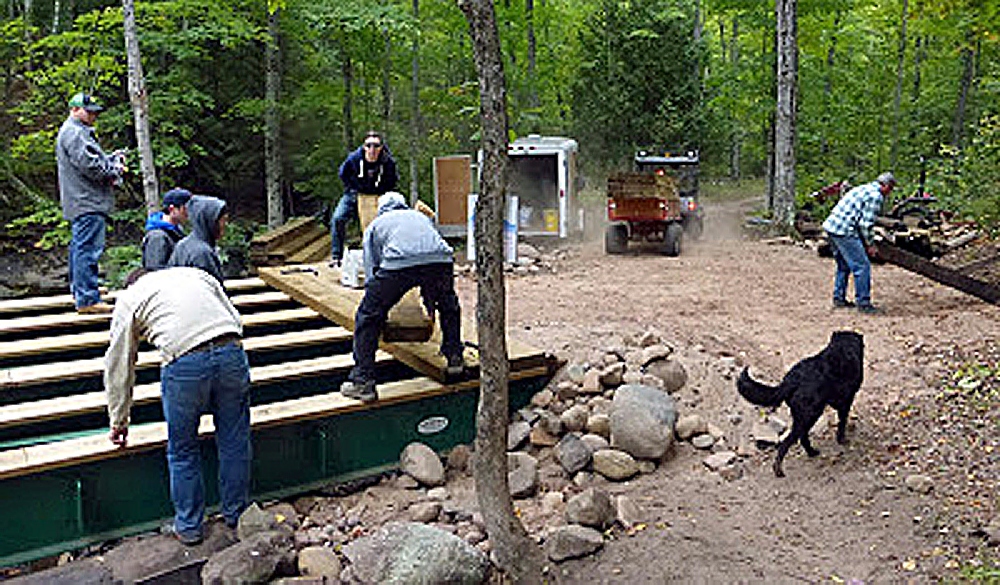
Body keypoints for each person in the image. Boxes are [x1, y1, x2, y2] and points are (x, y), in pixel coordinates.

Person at [104, 267, 250, 545]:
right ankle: (237, 514)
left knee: (182, 449)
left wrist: (119, 419)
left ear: (130, 283)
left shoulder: (130, 297)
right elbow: (232, 316)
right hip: (232, 349)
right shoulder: (194, 274)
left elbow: (119, 363)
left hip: (185, 361)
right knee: (234, 439)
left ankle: (189, 526)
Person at [340, 192, 464, 403]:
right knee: (448, 306)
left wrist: (377, 301)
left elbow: (373, 270)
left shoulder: (376, 225)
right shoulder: (421, 217)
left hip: (399, 264)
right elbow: (429, 250)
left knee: (367, 317)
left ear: (382, 209)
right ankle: (454, 359)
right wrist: (430, 300)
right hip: (441, 261)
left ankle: (363, 381)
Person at [56, 92, 126, 314]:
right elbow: (90, 167)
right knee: (88, 249)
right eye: (90, 111)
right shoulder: (75, 133)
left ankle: (84, 291)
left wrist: (110, 158)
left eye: (95, 111)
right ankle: (87, 299)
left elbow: (90, 161)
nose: (94, 115)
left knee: (80, 247)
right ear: (75, 110)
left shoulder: (76, 132)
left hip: (82, 201)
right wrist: (114, 169)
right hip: (87, 201)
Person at [822, 172, 896, 314]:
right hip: (844, 230)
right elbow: (866, 224)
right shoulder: (876, 196)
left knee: (843, 265)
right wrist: (870, 245)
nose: (890, 193)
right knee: (862, 266)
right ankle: (864, 303)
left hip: (832, 227)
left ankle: (839, 298)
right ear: (886, 186)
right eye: (890, 189)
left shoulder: (863, 188)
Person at [330, 131, 399, 266]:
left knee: (387, 223)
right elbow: (343, 174)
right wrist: (354, 187)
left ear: (381, 147)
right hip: (356, 193)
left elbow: (393, 181)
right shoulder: (354, 159)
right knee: (338, 218)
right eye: (368, 145)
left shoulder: (388, 162)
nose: (372, 150)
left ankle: (387, 255)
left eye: (376, 146)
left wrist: (381, 194)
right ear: (364, 147)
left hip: (379, 195)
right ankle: (336, 255)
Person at [168, 195, 228, 284]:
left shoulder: (182, 244)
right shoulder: (202, 253)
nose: (226, 225)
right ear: (210, 221)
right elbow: (211, 292)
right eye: (223, 220)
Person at [142, 188, 192, 270]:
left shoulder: (176, 232)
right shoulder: (157, 237)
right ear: (172, 209)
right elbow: (155, 272)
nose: (189, 213)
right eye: (185, 208)